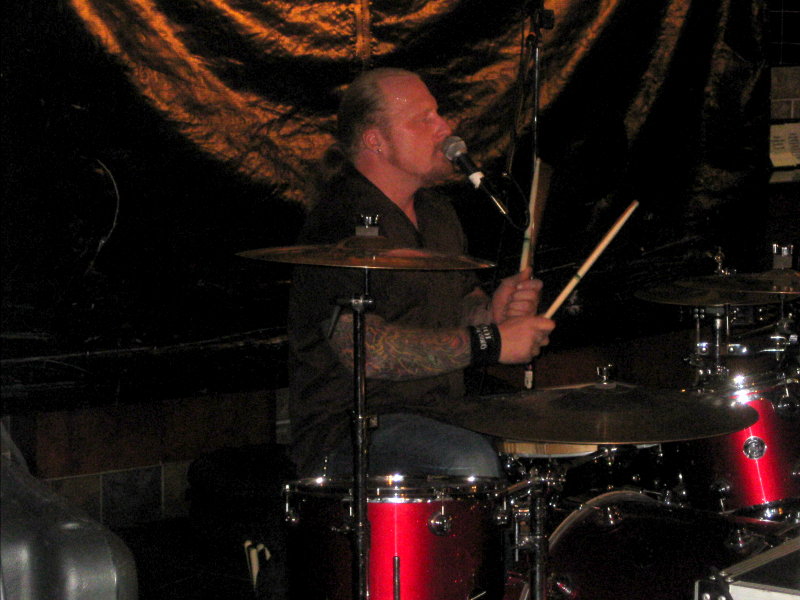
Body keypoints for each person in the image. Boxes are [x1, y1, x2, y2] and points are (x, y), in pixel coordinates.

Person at [287, 67, 555, 479]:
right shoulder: (340, 221)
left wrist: (494, 314)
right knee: (468, 461)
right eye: (423, 119)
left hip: (439, 410)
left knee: (549, 430)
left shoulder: (437, 213)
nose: (445, 128)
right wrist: (492, 342)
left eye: (438, 114)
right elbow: (365, 350)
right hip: (353, 428)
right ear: (375, 139)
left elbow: (460, 304)